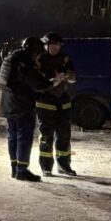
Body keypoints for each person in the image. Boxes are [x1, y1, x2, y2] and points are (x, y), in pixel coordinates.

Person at [0, 36, 51, 182]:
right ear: (34, 51)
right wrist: (52, 82)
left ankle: (15, 168)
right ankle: (22, 170)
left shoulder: (12, 58)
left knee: (13, 137)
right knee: (24, 138)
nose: (39, 56)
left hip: (8, 104)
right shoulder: (25, 62)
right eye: (39, 53)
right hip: (22, 106)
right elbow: (39, 83)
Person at [37, 32, 77, 176]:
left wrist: (68, 76)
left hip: (63, 101)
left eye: (58, 45)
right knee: (46, 135)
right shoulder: (39, 59)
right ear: (46, 45)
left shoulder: (65, 59)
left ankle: (64, 165)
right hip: (45, 100)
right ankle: (46, 167)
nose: (55, 47)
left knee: (64, 134)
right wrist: (53, 79)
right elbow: (37, 80)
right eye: (52, 44)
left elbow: (74, 77)